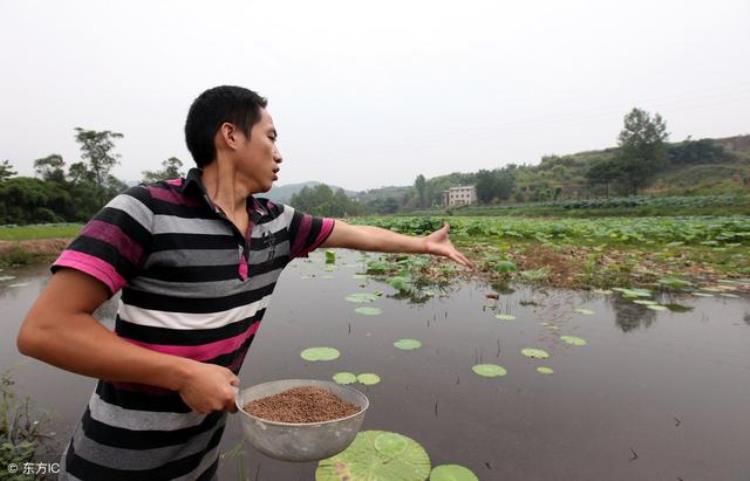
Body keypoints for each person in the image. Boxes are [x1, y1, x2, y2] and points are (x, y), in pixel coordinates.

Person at [16, 85, 474, 481]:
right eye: (271, 137)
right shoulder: (145, 210)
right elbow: (45, 330)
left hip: (200, 460)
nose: (279, 153)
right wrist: (182, 374)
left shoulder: (277, 223)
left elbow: (353, 232)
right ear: (231, 134)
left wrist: (422, 244)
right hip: (117, 464)